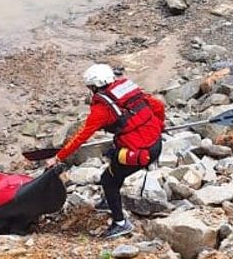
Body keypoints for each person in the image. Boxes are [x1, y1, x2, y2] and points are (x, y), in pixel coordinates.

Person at [46, 64, 166, 239]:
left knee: (107, 180)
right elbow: (157, 106)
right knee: (114, 166)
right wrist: (160, 126)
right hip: (155, 143)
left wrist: (57, 157)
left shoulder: (101, 110)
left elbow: (81, 137)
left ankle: (120, 223)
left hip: (140, 153)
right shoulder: (127, 89)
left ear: (94, 86)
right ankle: (110, 200)